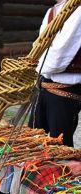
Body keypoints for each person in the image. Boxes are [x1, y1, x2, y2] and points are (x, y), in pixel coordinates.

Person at [28, 0, 81, 147]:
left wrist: (39, 67)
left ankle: (61, 170)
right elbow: (39, 44)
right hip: (44, 85)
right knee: (32, 140)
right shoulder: (52, 11)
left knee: (60, 146)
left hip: (65, 90)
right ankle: (35, 170)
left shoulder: (78, 11)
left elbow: (60, 55)